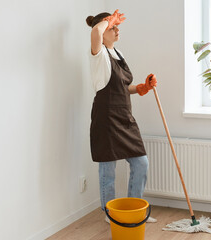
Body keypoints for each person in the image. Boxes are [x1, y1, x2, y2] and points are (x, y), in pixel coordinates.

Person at [86, 10, 157, 223]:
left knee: (140, 163)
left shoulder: (119, 54)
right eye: (112, 28)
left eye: (117, 27)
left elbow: (125, 88)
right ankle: (111, 215)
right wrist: (106, 21)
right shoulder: (98, 55)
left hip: (125, 117)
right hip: (106, 118)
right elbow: (94, 35)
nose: (117, 30)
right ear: (103, 30)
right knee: (108, 169)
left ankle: (135, 209)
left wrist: (143, 88)